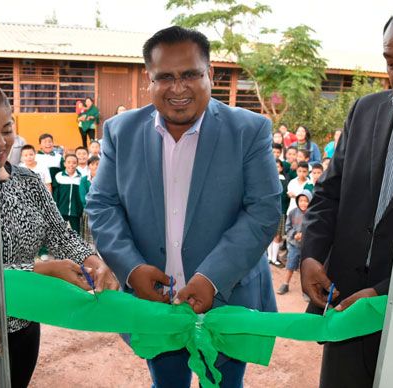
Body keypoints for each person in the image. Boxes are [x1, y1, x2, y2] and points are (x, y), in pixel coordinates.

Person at [86, 26, 280, 388]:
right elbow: (102, 205)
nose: (178, 88)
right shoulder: (120, 131)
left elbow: (263, 211)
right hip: (154, 305)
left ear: (211, 74)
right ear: (149, 79)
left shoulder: (249, 130)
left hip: (228, 302)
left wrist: (211, 278)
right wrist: (131, 269)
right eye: (165, 77)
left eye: (190, 74)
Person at [299, 6, 393, 387]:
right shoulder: (365, 110)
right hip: (346, 311)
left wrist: (382, 294)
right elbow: (329, 194)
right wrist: (310, 255)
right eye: (390, 61)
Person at [0, 86, 117, 388]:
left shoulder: (28, 180)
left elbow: (60, 233)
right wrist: (42, 270)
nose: (1, 142)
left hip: (26, 321)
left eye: (6, 129)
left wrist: (93, 261)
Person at [277, 190, 312, 295]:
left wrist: (305, 235)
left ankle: (305, 290)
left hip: (308, 246)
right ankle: (285, 284)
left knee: (305, 268)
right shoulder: (292, 212)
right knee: (290, 264)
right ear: (297, 201)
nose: (303, 203)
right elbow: (287, 227)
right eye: (301, 200)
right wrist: (294, 234)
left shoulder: (313, 214)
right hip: (294, 245)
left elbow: (316, 228)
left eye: (306, 201)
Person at [53, 154, 84, 234]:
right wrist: (56, 208)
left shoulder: (81, 177)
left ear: (77, 164)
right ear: (64, 164)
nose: (71, 165)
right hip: (61, 210)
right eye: (69, 162)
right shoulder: (59, 176)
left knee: (76, 233)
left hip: (75, 211)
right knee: (59, 232)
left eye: (74, 163)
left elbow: (82, 194)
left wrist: (80, 209)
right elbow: (56, 194)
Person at [79, 155, 100, 246]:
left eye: (98, 164)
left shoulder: (104, 179)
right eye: (92, 164)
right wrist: (90, 206)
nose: (95, 166)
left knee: (99, 234)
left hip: (101, 210)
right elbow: (83, 195)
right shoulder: (84, 179)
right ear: (89, 166)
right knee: (88, 236)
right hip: (88, 210)